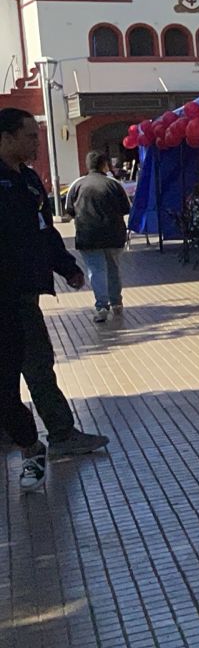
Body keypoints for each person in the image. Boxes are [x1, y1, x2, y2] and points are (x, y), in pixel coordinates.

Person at [0, 108, 111, 492]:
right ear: (8, 136)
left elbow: (44, 232)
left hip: (22, 295)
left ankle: (60, 433)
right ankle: (35, 434)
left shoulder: (29, 182)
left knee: (37, 364)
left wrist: (67, 267)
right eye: (30, 136)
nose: (36, 143)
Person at [64, 151, 131, 322]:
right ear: (104, 165)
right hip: (113, 235)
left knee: (96, 271)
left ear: (87, 166)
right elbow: (126, 208)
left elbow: (69, 211)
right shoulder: (114, 184)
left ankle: (101, 306)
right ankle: (116, 303)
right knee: (113, 269)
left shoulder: (77, 185)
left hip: (88, 236)